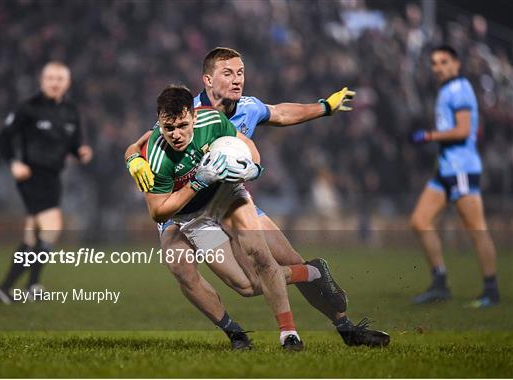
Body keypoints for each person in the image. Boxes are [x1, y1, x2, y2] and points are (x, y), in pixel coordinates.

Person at [126, 47, 389, 348]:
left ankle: (343, 327)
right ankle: (236, 333)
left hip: (226, 197)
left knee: (278, 259)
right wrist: (132, 159)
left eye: (240, 73)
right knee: (192, 268)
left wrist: (324, 107)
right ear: (208, 80)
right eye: (228, 74)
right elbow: (143, 144)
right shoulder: (186, 113)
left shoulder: (246, 108)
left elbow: (281, 113)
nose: (237, 80)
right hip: (184, 209)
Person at [141, 85, 316, 350]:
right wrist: (197, 183)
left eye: (182, 125)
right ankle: (307, 272)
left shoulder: (212, 119)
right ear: (159, 122)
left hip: (225, 195)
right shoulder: (156, 155)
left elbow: (246, 145)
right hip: (190, 216)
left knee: (259, 253)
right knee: (245, 286)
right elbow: (159, 211)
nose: (176, 134)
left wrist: (254, 169)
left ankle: (289, 334)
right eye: (169, 128)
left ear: (194, 116)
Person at [0, 61, 93, 304]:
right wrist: (13, 163)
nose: (54, 82)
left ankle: (28, 285)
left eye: (59, 78)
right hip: (32, 176)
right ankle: (10, 287)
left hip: (53, 177)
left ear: (67, 83)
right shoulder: (28, 108)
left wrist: (81, 151)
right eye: (50, 78)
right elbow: (3, 138)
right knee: (52, 226)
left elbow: (73, 142)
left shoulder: (71, 110)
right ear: (42, 81)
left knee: (33, 236)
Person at [409, 45, 499, 308]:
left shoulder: (459, 89)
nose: (438, 67)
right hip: (446, 168)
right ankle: (440, 284)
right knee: (419, 221)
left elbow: (462, 130)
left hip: (461, 168)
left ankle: (491, 290)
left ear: (456, 64)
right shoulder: (447, 89)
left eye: (444, 62)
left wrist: (429, 136)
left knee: (476, 229)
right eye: (435, 63)